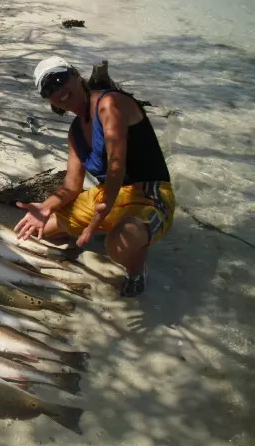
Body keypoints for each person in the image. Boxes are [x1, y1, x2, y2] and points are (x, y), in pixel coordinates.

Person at [15, 56, 176, 297]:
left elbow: (116, 164)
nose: (58, 89)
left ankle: (136, 272)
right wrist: (46, 208)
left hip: (149, 193)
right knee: (38, 230)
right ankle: (108, 224)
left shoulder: (109, 104)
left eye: (60, 79)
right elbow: (71, 186)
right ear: (49, 100)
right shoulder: (75, 132)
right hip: (109, 196)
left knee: (119, 243)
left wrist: (102, 212)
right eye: (49, 89)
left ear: (77, 76)